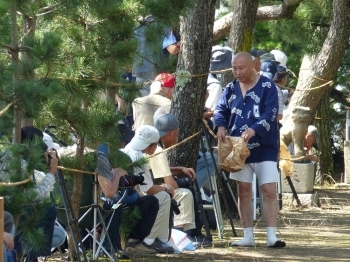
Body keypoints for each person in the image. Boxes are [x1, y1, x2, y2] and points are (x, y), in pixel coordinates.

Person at [214, 52, 286, 248]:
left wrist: (255, 129)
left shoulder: (267, 86)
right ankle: (248, 235)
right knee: (243, 191)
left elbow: (271, 112)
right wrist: (220, 126)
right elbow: (220, 110)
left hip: (265, 146)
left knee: (268, 190)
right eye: (234, 68)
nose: (237, 72)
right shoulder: (230, 88)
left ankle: (271, 235)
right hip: (238, 147)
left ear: (253, 66)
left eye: (241, 68)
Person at [152, 113, 212, 248]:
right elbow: (172, 186)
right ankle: (180, 235)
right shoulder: (158, 150)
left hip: (143, 186)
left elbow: (159, 169)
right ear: (172, 133)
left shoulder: (153, 144)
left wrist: (179, 169)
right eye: (177, 133)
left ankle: (192, 232)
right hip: (149, 191)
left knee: (186, 187)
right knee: (185, 192)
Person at [120, 125, 174, 255]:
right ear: (152, 146)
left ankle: (159, 239)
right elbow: (149, 189)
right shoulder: (139, 157)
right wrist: (166, 188)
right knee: (164, 197)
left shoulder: (125, 150)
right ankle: (147, 241)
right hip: (129, 202)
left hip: (121, 200)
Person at [15, 126, 59, 262]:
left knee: (60, 235)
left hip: (14, 213)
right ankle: (31, 258)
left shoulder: (17, 161)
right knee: (49, 210)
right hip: (15, 213)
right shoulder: (21, 166)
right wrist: (52, 171)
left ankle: (29, 255)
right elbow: (35, 196)